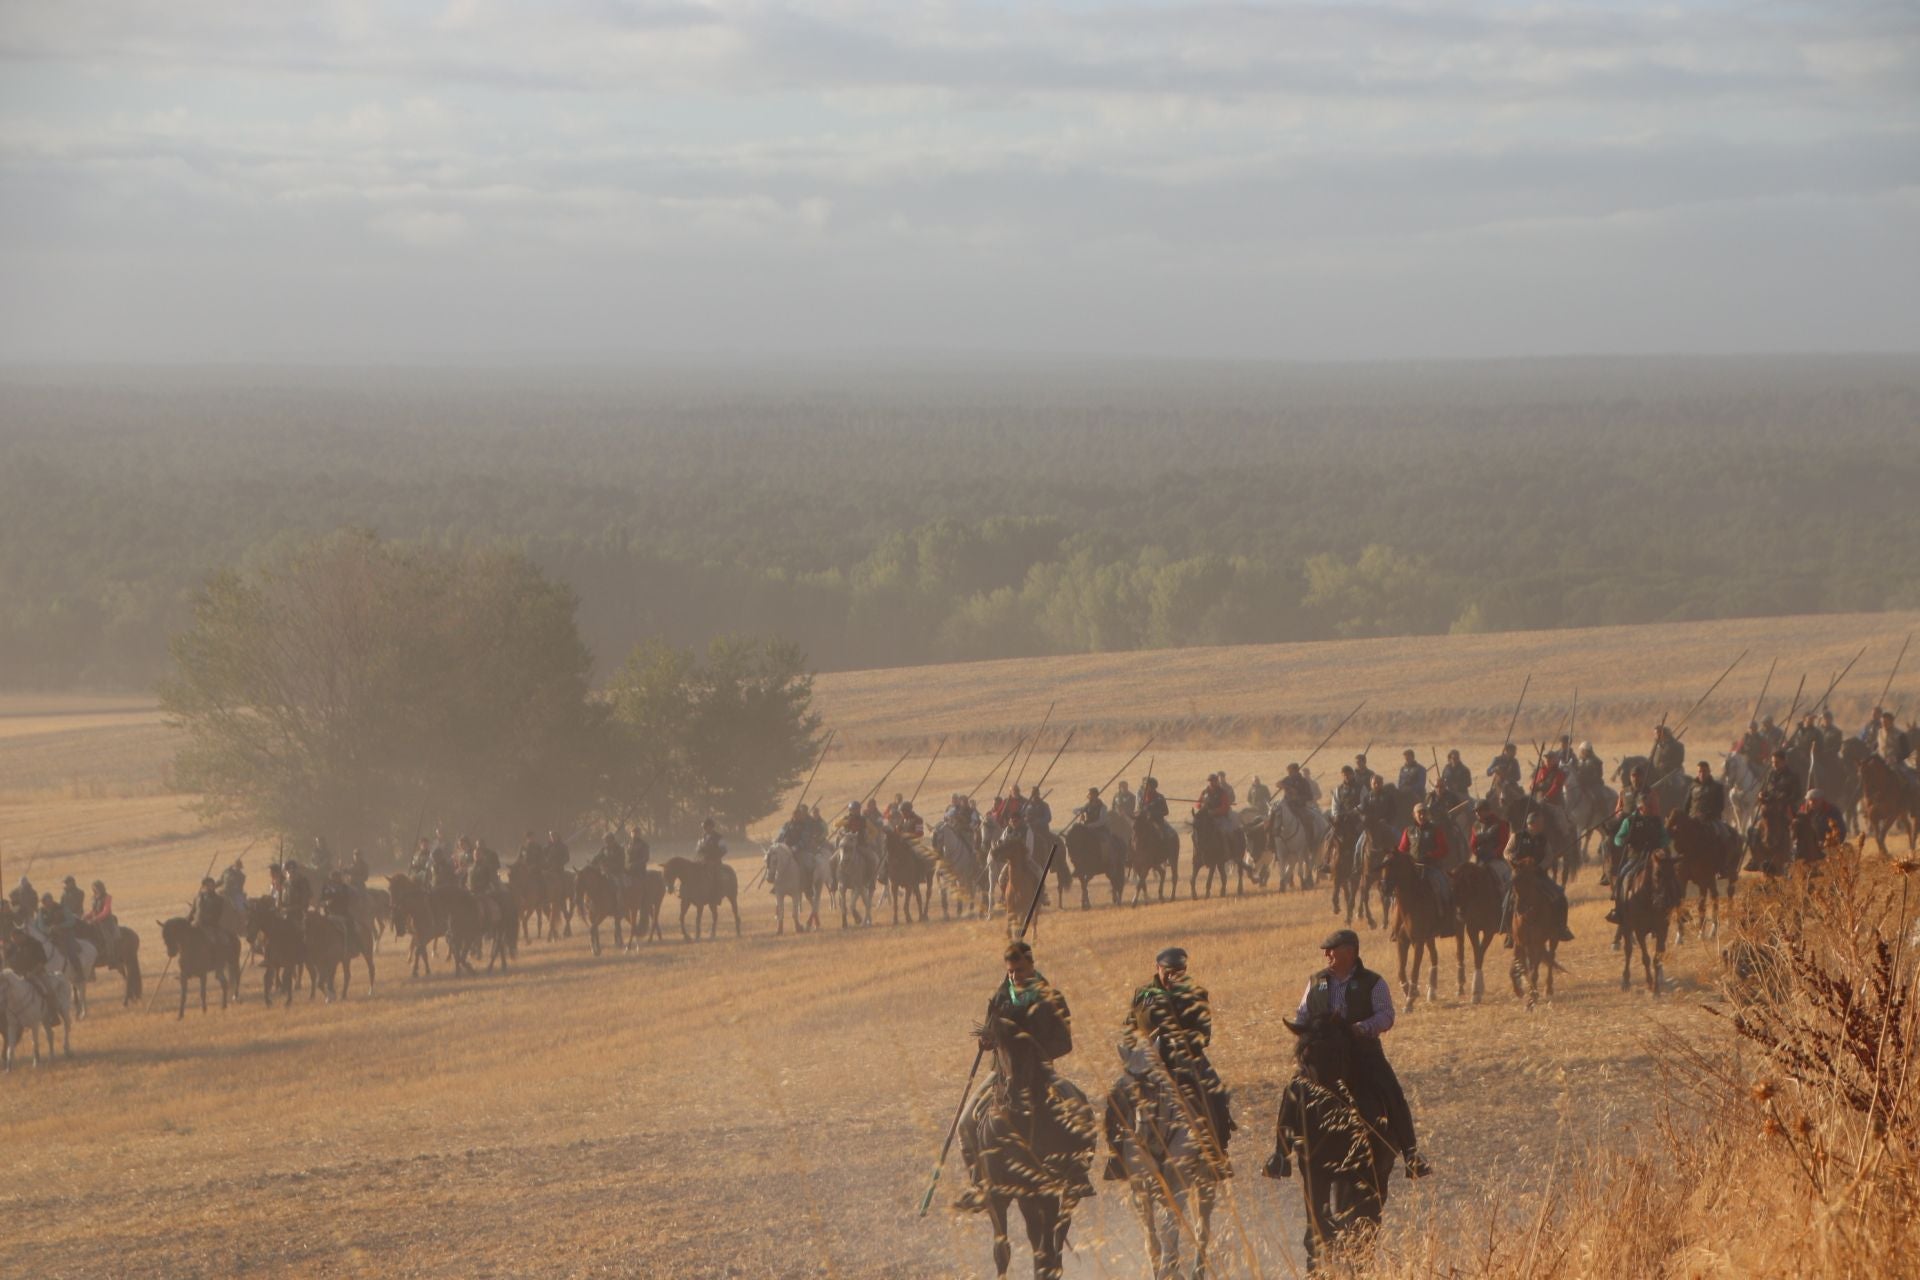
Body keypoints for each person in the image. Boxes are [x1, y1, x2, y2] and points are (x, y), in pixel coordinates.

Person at [957, 940, 1092, 1210]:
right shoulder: (1000, 998)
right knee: (965, 1123)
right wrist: (986, 1042)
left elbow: (1065, 1042)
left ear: (1031, 966)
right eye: (1010, 972)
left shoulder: (1051, 998)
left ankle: (1075, 1174)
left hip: (1040, 1074)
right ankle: (979, 1181)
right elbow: (990, 1033)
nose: (1015, 976)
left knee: (1079, 1108)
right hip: (1002, 1075)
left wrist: (1035, 1050)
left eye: (1019, 971)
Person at [1287, 929, 1429, 1178]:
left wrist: (1362, 1028)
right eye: (1326, 950)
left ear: (1350, 951)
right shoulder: (1315, 982)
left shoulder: (1373, 982)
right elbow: (1303, 1014)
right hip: (1325, 1056)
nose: (1327, 954)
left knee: (1392, 1091)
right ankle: (1280, 1153)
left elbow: (1386, 1015)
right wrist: (1307, 1033)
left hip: (1364, 1054)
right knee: (1292, 1090)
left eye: (1332, 949)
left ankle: (1411, 1153)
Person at [1105, 945, 1232, 1179]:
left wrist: (1177, 1040)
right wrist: (1134, 1048)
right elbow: (1130, 1027)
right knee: (1115, 1095)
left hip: (1185, 1060)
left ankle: (1217, 1153)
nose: (1173, 975)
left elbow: (1203, 1034)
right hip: (1146, 1061)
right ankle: (1116, 1153)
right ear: (1157, 969)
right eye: (1168, 971)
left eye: (1179, 971)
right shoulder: (1142, 993)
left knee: (1217, 1094)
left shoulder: (1196, 994)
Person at [1503, 817, 1573, 942]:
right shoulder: (1516, 837)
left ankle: (1561, 928)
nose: (1541, 826)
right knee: (1506, 902)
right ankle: (1509, 933)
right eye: (1539, 823)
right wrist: (1513, 858)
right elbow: (1506, 852)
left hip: (1539, 876)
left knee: (1560, 897)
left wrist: (1541, 867)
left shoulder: (1543, 839)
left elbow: (1549, 856)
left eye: (1541, 823)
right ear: (1531, 824)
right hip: (1520, 876)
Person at [1608, 793, 1670, 922]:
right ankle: (1619, 909)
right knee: (1622, 875)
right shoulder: (1629, 821)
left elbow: (1665, 838)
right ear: (1640, 807)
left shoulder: (1657, 821)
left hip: (1654, 858)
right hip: (1635, 857)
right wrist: (1624, 840)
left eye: (1650, 805)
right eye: (1646, 805)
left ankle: (1675, 905)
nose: (1650, 807)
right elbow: (1618, 839)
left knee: (1670, 875)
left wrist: (1661, 845)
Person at [1397, 803, 1453, 925]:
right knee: (1399, 892)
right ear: (1414, 815)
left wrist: (1431, 855)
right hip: (1413, 869)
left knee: (1443, 888)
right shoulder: (1408, 831)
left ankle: (1446, 918)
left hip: (1432, 867)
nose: (1422, 816)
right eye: (1419, 813)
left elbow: (1444, 849)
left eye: (1424, 813)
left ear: (1428, 814)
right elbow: (1402, 850)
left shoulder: (1436, 829)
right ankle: (1397, 926)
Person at [1794, 788, 1848, 862]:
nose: (1812, 803)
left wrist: (1828, 843)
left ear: (1821, 800)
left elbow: (1841, 830)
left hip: (1829, 846)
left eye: (1815, 800)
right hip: (1808, 848)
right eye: (1810, 800)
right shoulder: (1802, 813)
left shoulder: (1833, 811)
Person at [36, 892, 82, 975]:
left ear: (51, 900)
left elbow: (71, 921)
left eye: (45, 901)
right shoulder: (40, 912)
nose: (43, 904)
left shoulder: (62, 908)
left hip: (66, 934)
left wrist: (60, 926)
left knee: (71, 952)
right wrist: (48, 930)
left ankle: (79, 974)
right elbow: (40, 925)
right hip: (50, 936)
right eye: (42, 902)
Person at [190, 876, 235, 951]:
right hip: (196, 926)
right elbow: (192, 912)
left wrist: (205, 921)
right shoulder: (197, 898)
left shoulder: (219, 900)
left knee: (215, 942)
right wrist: (187, 922)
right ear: (203, 886)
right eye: (207, 885)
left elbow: (217, 915)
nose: (209, 887)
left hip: (211, 927)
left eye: (211, 885)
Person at [1138, 776, 1174, 848]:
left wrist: (1153, 814)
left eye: (1148, 786)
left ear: (1153, 786)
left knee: (1162, 834)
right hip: (1144, 821)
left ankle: (1164, 849)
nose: (1146, 787)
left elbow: (1166, 811)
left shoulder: (1160, 797)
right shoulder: (1142, 797)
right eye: (1145, 785)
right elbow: (1139, 809)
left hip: (1156, 821)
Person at [1278, 763, 1316, 831]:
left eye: (1290, 772)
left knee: (1307, 819)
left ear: (1296, 771)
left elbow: (1310, 796)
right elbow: (1278, 784)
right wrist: (1289, 788)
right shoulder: (1287, 779)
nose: (1289, 774)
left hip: (1299, 807)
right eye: (1288, 772)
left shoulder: (1303, 782)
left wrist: (1298, 797)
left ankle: (1309, 838)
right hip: (1286, 805)